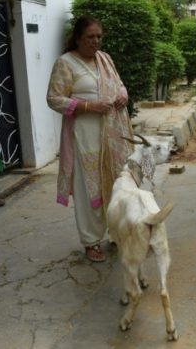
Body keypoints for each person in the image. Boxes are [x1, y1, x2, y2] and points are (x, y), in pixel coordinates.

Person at [47, 15, 134, 262]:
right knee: (89, 189)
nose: (96, 41)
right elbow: (54, 99)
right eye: (90, 37)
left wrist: (123, 95)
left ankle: (117, 233)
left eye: (99, 36)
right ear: (78, 38)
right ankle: (91, 241)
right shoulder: (65, 63)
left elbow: (119, 84)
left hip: (113, 135)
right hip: (84, 135)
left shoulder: (105, 59)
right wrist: (88, 106)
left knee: (116, 183)